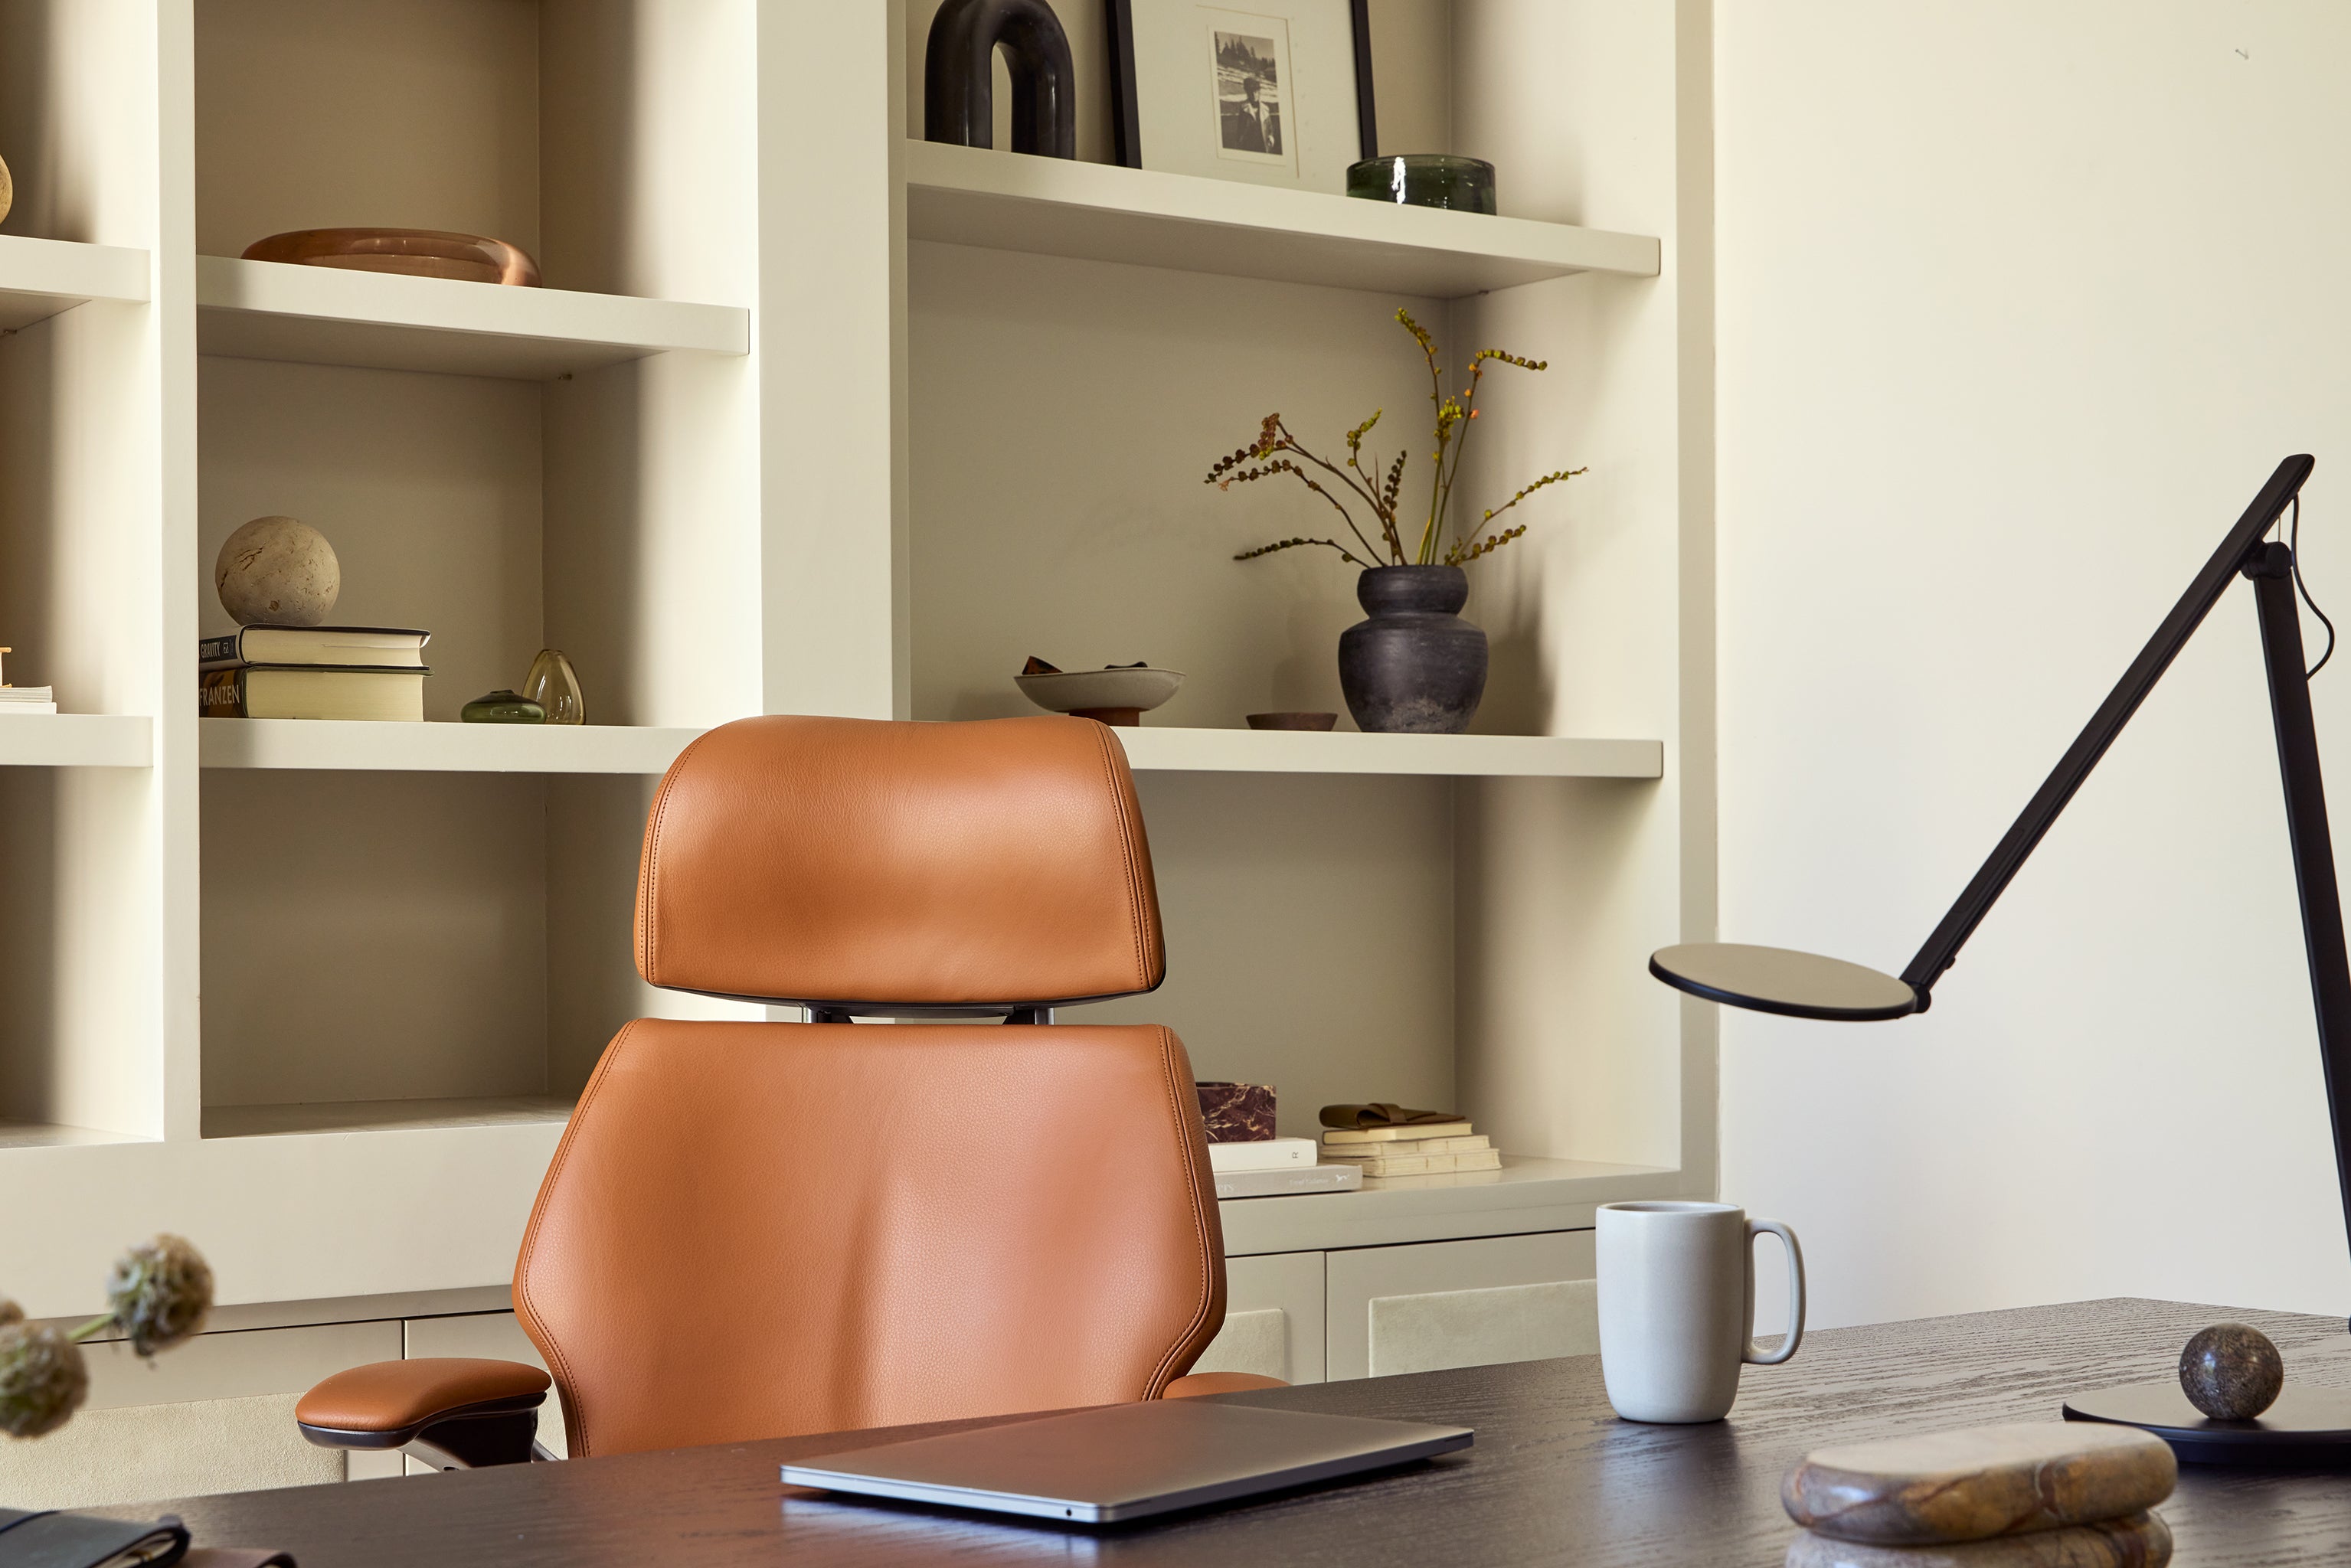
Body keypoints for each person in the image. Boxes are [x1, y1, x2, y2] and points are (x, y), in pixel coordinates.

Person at [1224, 72, 1280, 155]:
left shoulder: (1265, 109)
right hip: (1249, 148)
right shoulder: (1244, 109)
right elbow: (1240, 131)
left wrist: (1271, 138)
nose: (1254, 95)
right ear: (1248, 93)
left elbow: (1270, 129)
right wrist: (1239, 144)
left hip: (1264, 148)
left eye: (1256, 92)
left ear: (1259, 92)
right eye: (1251, 92)